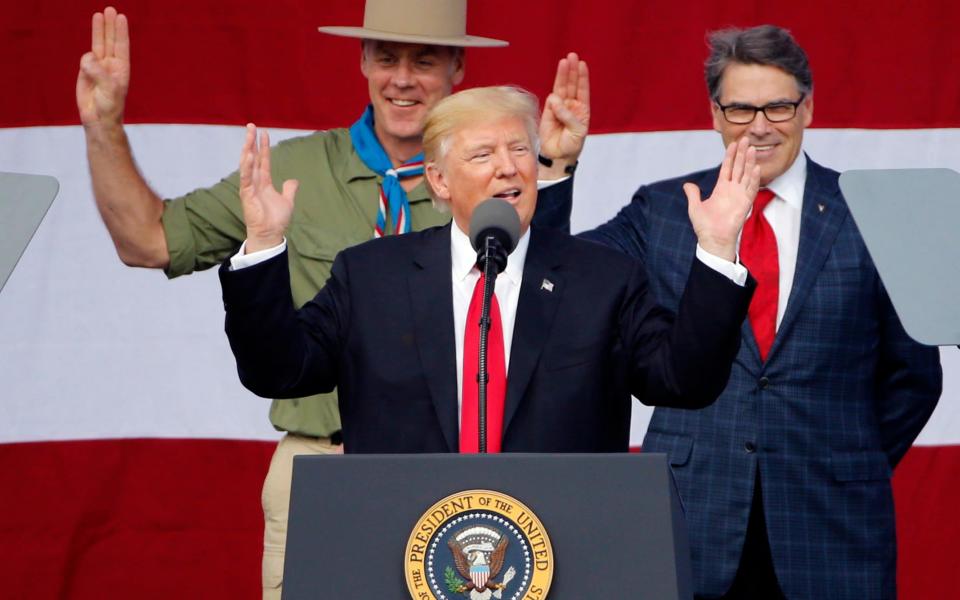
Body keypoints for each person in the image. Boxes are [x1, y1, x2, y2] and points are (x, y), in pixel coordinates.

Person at [75, 2, 586, 597]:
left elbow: (545, 303)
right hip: (319, 464)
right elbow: (147, 240)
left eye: (424, 60)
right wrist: (102, 125)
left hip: (464, 474)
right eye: (386, 56)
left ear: (458, 67)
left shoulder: (500, 179)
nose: (402, 78)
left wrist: (550, 170)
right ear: (363, 60)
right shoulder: (296, 170)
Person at [580, 25, 943, 600]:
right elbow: (563, 271)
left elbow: (915, 378)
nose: (760, 125)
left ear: (808, 108)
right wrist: (553, 169)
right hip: (690, 518)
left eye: (778, 106)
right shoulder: (665, 210)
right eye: (741, 108)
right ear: (715, 114)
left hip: (832, 523)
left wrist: (844, 456)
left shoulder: (875, 212)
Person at [220, 85, 757, 456]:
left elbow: (684, 381)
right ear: (439, 180)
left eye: (519, 148)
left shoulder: (604, 280)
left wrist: (715, 250)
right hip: (406, 543)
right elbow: (278, 371)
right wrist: (265, 243)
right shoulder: (370, 277)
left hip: (560, 545)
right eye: (483, 155)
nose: (509, 166)